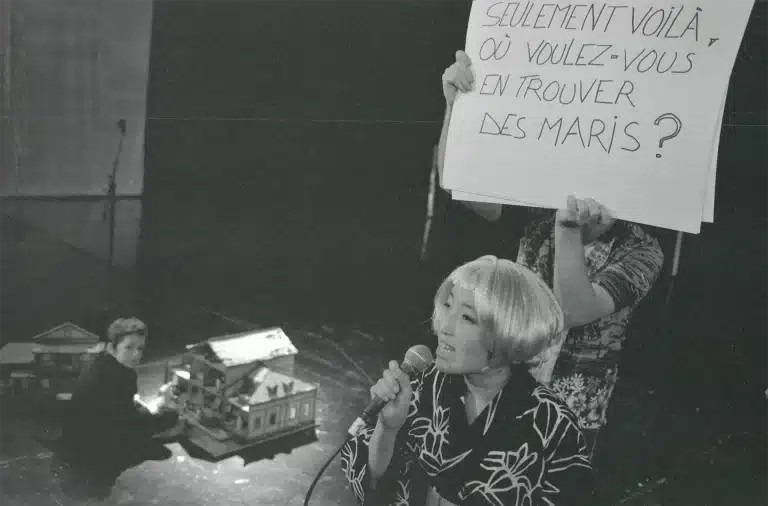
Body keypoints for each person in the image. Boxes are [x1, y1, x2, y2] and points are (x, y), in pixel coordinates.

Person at [437, 51, 665, 455]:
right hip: (504, 387)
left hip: (569, 415)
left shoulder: (642, 249)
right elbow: (459, 183)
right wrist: (457, 108)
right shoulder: (538, 210)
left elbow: (570, 311)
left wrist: (568, 230)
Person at [341, 256, 600, 506]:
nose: (444, 326)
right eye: (447, 306)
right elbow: (376, 486)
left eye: (467, 317)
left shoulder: (553, 425)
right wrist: (387, 429)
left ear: (507, 336)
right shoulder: (421, 386)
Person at [55, 317, 178, 498]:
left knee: (152, 414)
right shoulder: (123, 375)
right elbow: (129, 420)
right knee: (170, 416)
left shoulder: (99, 363)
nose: (136, 355)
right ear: (112, 348)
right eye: (129, 348)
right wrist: (159, 405)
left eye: (140, 348)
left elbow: (118, 406)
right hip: (95, 448)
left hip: (75, 441)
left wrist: (144, 407)